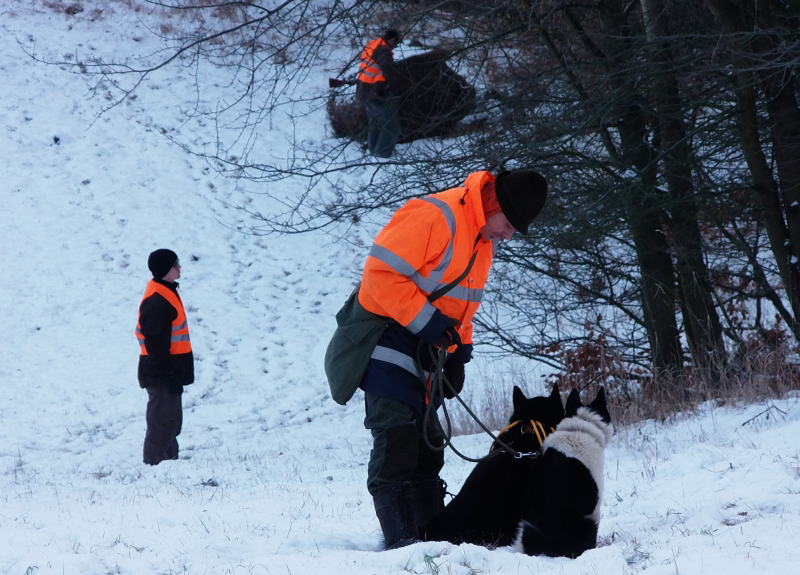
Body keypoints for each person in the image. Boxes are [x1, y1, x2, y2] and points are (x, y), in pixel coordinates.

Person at [356, 169, 548, 548]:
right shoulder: (434, 216)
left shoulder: (483, 242)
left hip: (428, 345)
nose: (508, 235)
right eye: (509, 224)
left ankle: (434, 536)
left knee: (429, 441)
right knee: (396, 437)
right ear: (493, 204)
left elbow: (463, 307)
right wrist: (432, 326)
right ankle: (403, 545)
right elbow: (378, 278)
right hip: (385, 333)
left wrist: (460, 350)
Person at [136, 248, 194, 466]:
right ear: (164, 270)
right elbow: (155, 344)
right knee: (162, 422)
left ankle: (170, 465)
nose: (179, 267)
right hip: (160, 373)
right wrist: (169, 375)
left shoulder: (166, 291)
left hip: (167, 372)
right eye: (175, 264)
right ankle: (154, 467)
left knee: (171, 422)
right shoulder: (158, 300)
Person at [356, 28, 402, 158]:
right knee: (391, 126)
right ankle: (382, 154)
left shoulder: (372, 44)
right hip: (377, 93)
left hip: (364, 91)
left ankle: (373, 151)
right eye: (396, 41)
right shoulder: (383, 50)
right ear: (392, 39)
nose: (396, 45)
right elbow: (387, 68)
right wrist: (391, 84)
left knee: (375, 123)